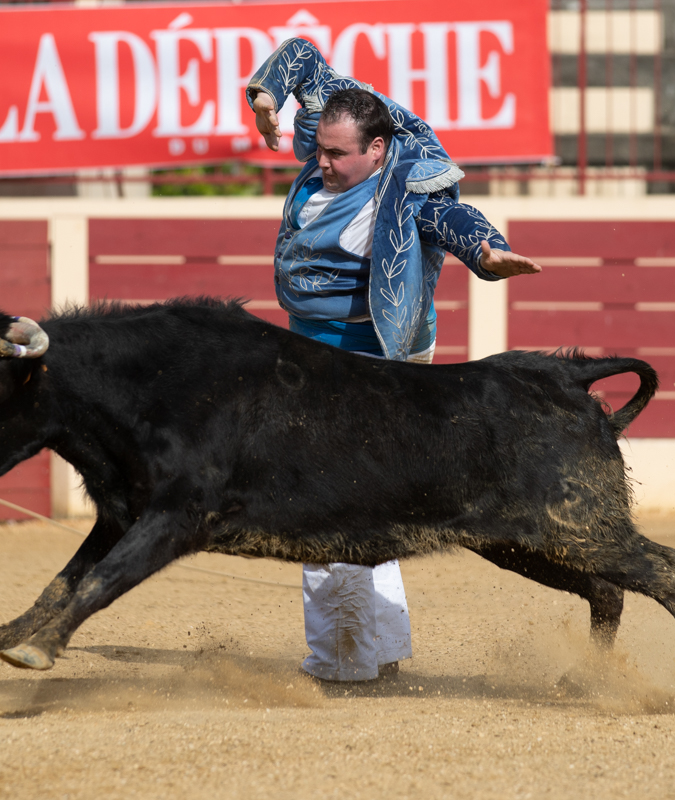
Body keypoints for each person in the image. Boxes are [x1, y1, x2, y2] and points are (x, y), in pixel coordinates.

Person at [246, 38, 541, 682]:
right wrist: (267, 96)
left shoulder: (404, 186)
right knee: (365, 501)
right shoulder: (334, 151)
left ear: (376, 150)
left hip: (372, 361)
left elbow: (452, 217)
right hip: (312, 355)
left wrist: (487, 251)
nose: (318, 161)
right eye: (318, 148)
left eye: (335, 154)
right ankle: (377, 653)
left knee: (326, 502)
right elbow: (304, 56)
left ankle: (343, 661)